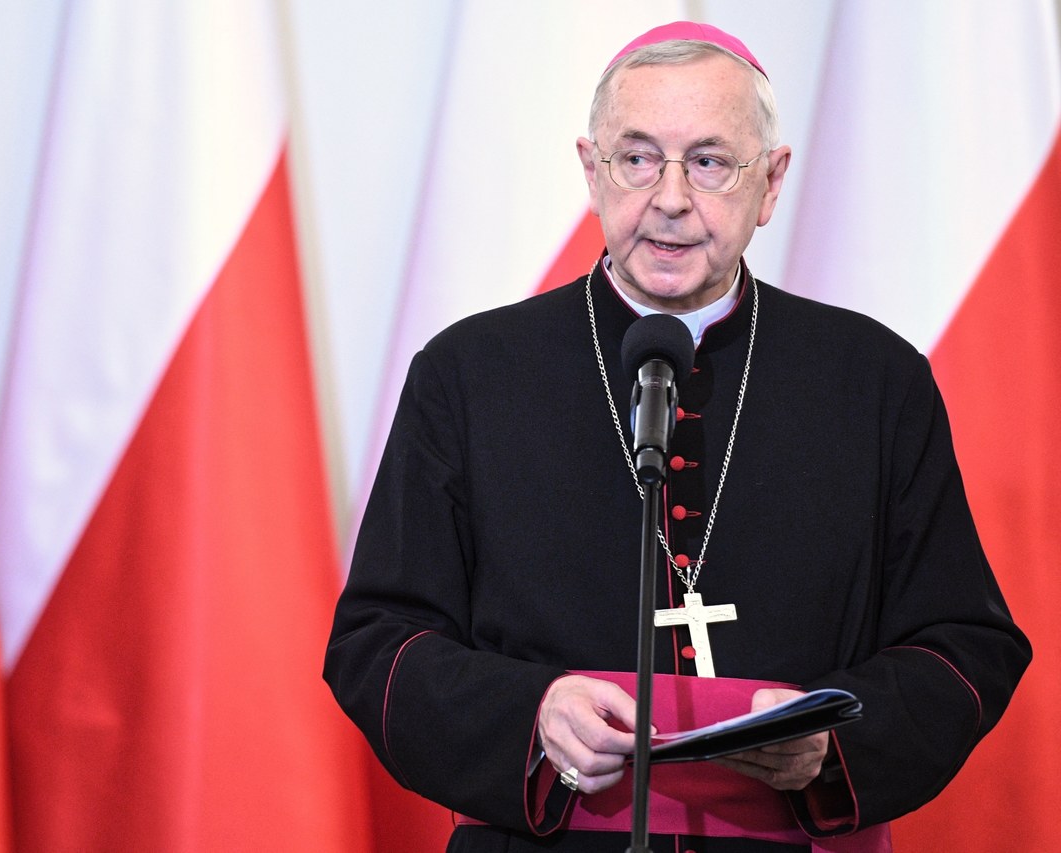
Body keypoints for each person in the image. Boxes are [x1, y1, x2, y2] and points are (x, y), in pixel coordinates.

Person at [324, 20, 1030, 853]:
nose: (667, 196)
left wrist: (830, 744)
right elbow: (378, 642)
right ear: (592, 172)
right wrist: (533, 714)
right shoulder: (469, 374)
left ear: (770, 184)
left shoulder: (876, 380)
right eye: (636, 157)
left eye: (708, 161)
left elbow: (966, 645)